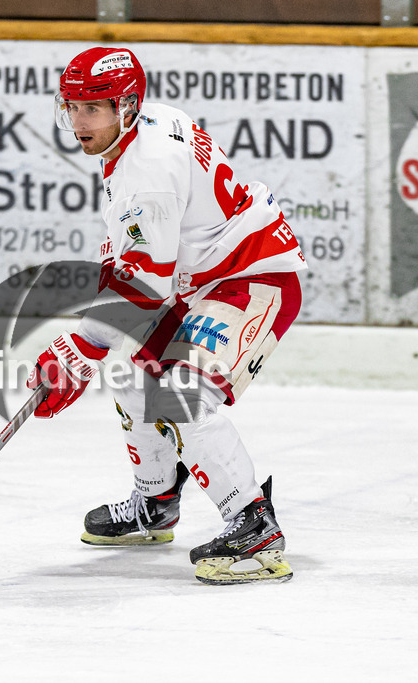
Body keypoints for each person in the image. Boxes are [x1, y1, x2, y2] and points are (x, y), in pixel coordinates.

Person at [26, 47, 307, 584]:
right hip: (198, 280)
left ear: (128, 106)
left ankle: (255, 530)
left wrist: (77, 350)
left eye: (93, 108)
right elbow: (141, 263)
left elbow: (145, 287)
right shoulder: (150, 124)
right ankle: (155, 503)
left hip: (253, 277)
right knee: (131, 369)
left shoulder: (147, 172)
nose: (79, 122)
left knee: (180, 391)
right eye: (72, 107)